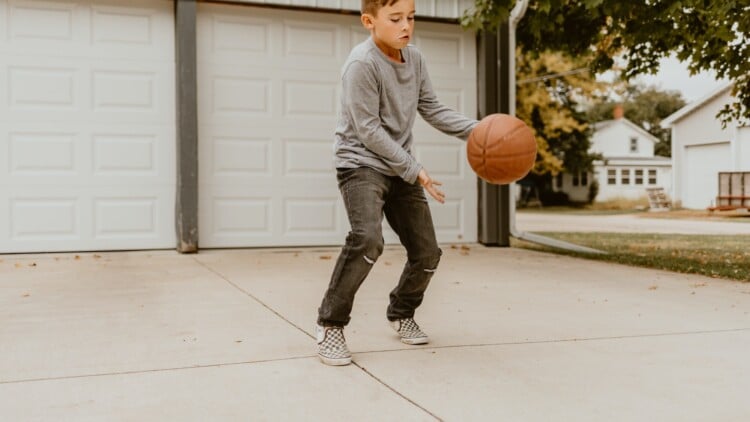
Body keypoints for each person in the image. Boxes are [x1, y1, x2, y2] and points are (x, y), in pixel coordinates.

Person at [316, 0, 478, 366]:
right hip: (360, 164)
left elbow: (432, 108)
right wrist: (415, 169)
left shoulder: (415, 59)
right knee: (367, 239)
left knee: (427, 252)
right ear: (369, 22)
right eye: (396, 19)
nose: (407, 26)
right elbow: (368, 130)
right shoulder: (362, 64)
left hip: (400, 166)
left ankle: (401, 312)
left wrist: (479, 131)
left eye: (411, 17)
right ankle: (330, 325)